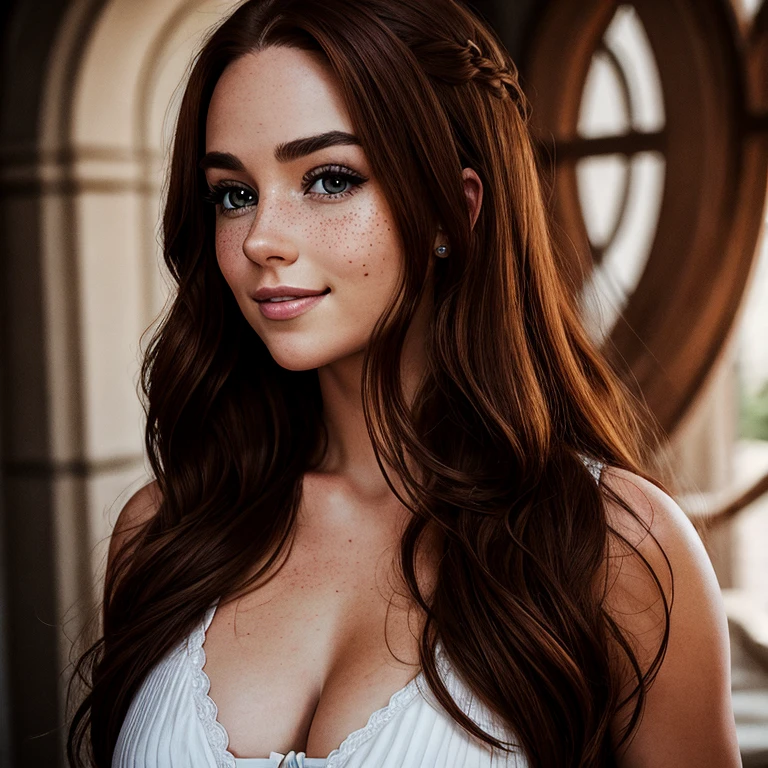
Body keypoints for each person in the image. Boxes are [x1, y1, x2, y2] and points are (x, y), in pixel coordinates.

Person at [66, 0, 741, 766]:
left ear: (455, 209)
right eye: (234, 192)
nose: (260, 238)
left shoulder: (613, 549)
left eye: (327, 178)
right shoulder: (166, 530)